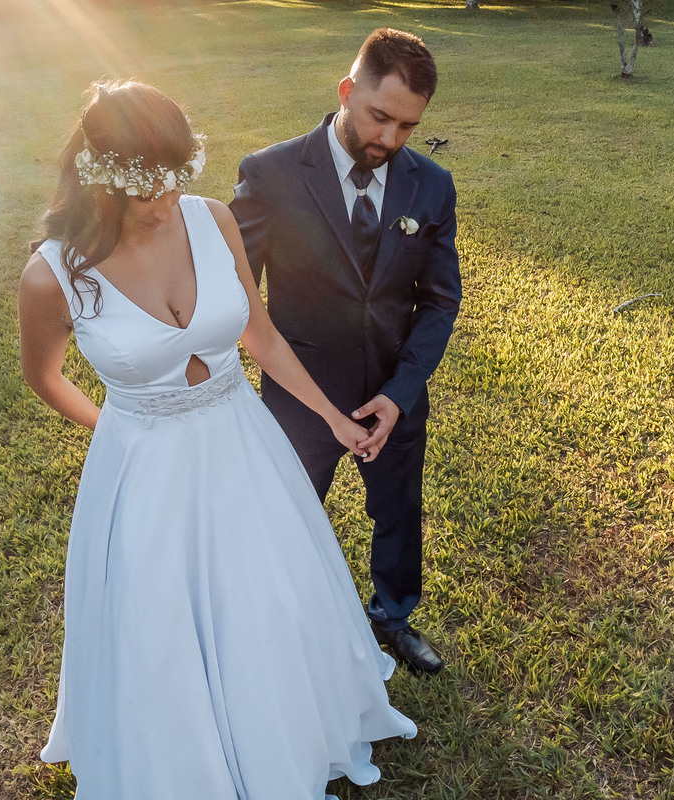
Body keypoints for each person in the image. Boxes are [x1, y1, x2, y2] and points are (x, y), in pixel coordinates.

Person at [17, 78, 415, 800]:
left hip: (239, 441)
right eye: (147, 190)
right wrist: (118, 428)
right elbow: (44, 376)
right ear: (104, 179)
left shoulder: (210, 220)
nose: (166, 202)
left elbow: (258, 335)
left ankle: (281, 729)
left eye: (177, 180)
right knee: (159, 621)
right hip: (142, 465)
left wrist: (330, 416)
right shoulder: (53, 275)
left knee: (263, 596)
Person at [230, 28, 461, 676]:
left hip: (394, 396)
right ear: (345, 91)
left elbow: (439, 302)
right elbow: (231, 295)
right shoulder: (270, 173)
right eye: (378, 116)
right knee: (286, 521)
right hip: (300, 400)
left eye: (407, 127)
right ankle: (279, 629)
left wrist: (398, 394)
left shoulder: (431, 187)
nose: (389, 139)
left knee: (398, 514)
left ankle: (392, 616)